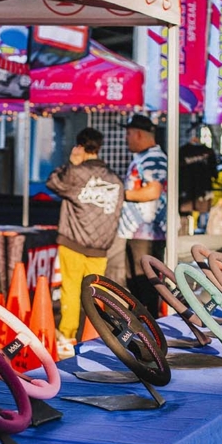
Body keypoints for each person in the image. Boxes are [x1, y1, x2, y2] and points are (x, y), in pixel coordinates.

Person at [46, 126, 124, 354]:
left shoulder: (75, 173)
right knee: (95, 292)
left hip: (73, 241)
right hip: (100, 247)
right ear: (99, 147)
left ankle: (67, 337)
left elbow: (53, 182)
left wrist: (71, 164)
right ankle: (96, 334)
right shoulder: (115, 180)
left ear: (79, 146)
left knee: (71, 289)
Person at [115, 113, 168, 317]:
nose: (125, 138)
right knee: (136, 283)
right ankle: (143, 321)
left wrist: (122, 194)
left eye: (128, 134)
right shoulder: (144, 157)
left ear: (138, 134)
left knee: (144, 283)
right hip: (139, 233)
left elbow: (153, 191)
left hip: (147, 233)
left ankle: (149, 323)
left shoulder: (153, 158)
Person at [179, 129, 217, 234]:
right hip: (192, 191)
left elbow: (214, 172)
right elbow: (214, 173)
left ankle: (191, 233)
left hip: (192, 191)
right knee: (191, 217)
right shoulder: (183, 151)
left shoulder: (183, 151)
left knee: (191, 219)